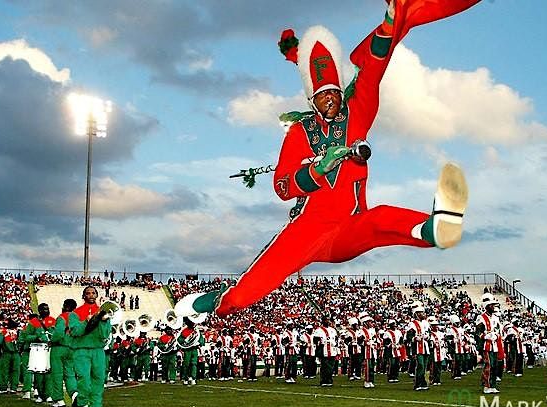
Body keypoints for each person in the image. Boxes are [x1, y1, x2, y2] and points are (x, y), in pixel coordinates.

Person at [178, 0, 480, 319]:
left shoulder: (357, 116)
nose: (331, 99)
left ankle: (434, 229)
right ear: (312, 99)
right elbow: (282, 186)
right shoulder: (300, 132)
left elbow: (371, 71)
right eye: (323, 95)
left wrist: (390, 24)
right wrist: (317, 169)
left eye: (335, 92)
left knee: (378, 220)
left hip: (349, 225)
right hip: (309, 230)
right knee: (251, 288)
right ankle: (214, 303)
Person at [69, 286, 111, 407]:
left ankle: (95, 406)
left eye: (93, 293)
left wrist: (104, 322)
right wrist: (86, 322)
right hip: (81, 350)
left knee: (98, 379)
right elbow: (75, 332)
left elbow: (105, 334)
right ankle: (83, 404)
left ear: (97, 295)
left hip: (98, 350)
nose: (91, 295)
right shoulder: (75, 313)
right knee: (84, 379)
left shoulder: (102, 312)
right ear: (84, 296)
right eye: (88, 293)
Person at [49, 298, 78, 407]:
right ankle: (74, 393)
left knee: (57, 374)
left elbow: (58, 334)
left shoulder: (62, 317)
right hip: (71, 348)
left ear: (65, 306)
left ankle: (59, 399)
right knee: (70, 374)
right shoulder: (77, 318)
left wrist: (52, 340)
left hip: (59, 348)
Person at [475, 293, 502, 394]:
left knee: (495, 365)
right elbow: (478, 333)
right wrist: (485, 336)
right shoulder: (481, 318)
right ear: (487, 306)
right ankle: (487, 386)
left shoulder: (495, 318)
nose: (493, 307)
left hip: (494, 344)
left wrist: (496, 335)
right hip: (486, 345)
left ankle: (493, 385)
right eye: (491, 305)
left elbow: (498, 330)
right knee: (489, 365)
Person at [406, 305, 430, 391]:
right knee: (420, 365)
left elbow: (428, 333)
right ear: (417, 314)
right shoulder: (412, 324)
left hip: (425, 346)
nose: (423, 314)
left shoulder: (426, 323)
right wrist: (415, 338)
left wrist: (427, 336)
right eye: (421, 313)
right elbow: (409, 336)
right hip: (417, 347)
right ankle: (417, 383)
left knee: (424, 366)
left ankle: (423, 382)